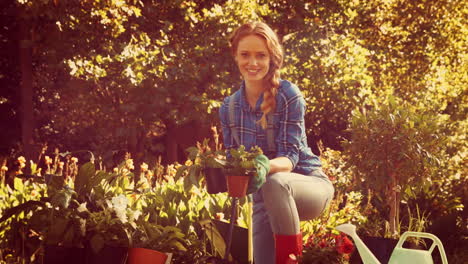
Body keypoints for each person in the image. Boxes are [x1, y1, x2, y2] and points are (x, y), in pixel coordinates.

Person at [219, 22, 335, 264]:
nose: (252, 63)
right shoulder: (229, 108)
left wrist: (262, 165)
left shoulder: (288, 96)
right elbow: (234, 160)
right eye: (245, 55)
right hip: (264, 202)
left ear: (272, 57)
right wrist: (219, 169)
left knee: (274, 182)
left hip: (308, 187)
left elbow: (290, 159)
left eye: (261, 55)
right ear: (235, 56)